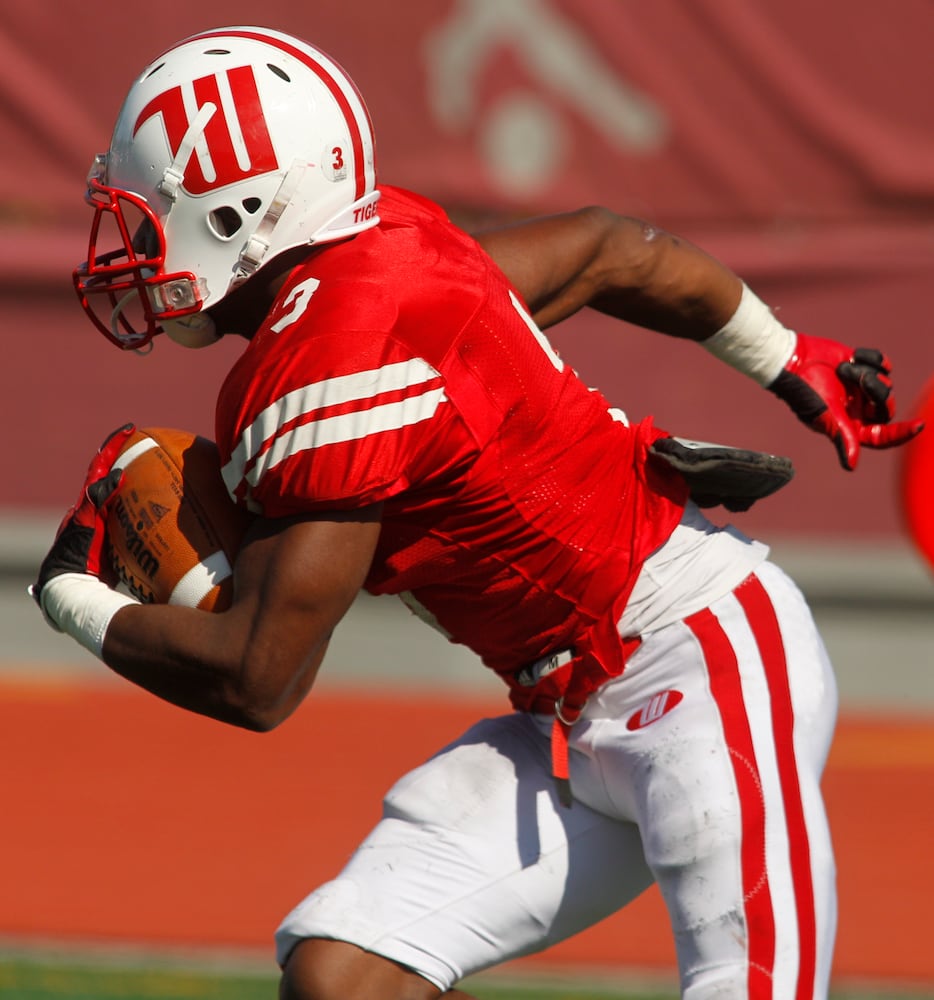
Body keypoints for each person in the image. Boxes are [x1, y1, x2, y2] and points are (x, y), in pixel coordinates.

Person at [32, 26, 922, 1000]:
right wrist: (782, 352)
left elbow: (259, 678)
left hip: (700, 654)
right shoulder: (390, 248)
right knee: (344, 977)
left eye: (147, 212)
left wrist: (78, 595)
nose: (130, 242)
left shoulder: (328, 364)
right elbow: (608, 248)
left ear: (237, 211)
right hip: (564, 709)